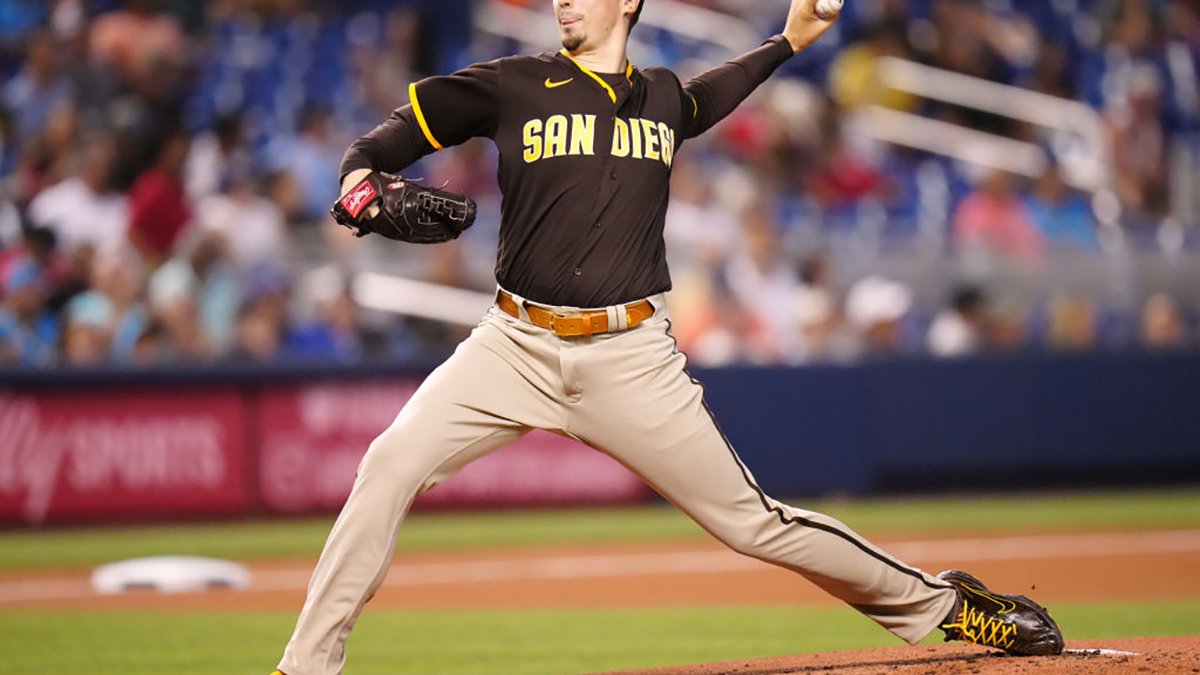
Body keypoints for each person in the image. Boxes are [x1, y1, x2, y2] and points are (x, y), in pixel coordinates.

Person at [273, 1, 1064, 673]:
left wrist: (789, 42)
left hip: (630, 357)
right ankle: (306, 666)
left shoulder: (661, 100)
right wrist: (357, 186)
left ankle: (952, 606)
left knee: (753, 522)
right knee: (387, 464)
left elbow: (708, 95)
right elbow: (379, 145)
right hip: (509, 345)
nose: (563, 1)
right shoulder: (513, 83)